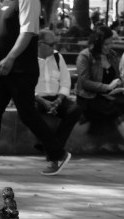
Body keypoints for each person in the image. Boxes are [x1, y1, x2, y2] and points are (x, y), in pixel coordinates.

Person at [0, 0, 72, 177]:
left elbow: (27, 32)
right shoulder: (6, 3)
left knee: (27, 113)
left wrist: (10, 57)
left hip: (21, 68)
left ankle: (58, 153)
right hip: (3, 69)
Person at [75, 25, 124, 161]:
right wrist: (106, 87)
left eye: (110, 43)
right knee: (116, 109)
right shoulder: (85, 56)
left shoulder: (111, 55)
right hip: (90, 97)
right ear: (97, 42)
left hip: (110, 94)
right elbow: (85, 82)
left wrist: (121, 84)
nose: (108, 46)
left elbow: (117, 76)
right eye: (106, 44)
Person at [34, 29, 83, 157]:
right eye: (51, 44)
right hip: (36, 98)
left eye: (55, 44)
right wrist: (42, 101)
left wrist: (60, 99)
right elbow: (25, 87)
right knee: (30, 111)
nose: (54, 47)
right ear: (40, 44)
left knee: (75, 109)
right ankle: (53, 149)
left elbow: (66, 81)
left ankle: (53, 146)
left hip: (56, 98)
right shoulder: (28, 60)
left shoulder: (57, 57)